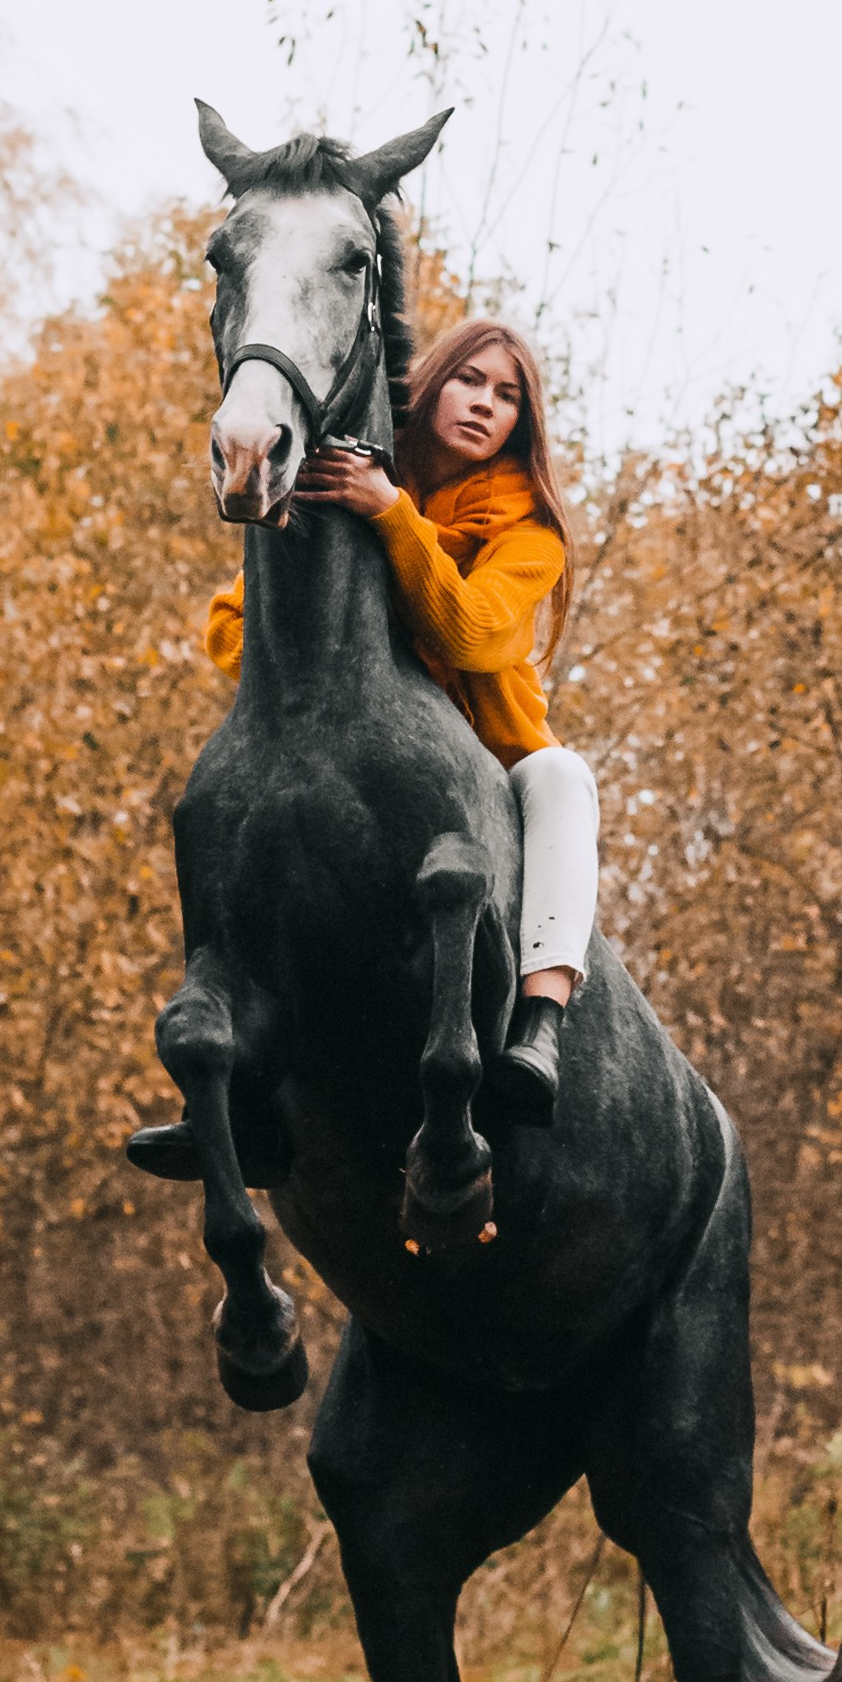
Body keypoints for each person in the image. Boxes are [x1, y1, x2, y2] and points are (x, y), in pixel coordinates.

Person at [225, 315, 600, 1103]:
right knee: (223, 804)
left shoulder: (531, 535)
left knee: (565, 777)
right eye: (468, 380)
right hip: (345, 757)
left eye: (507, 398)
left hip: (489, 765)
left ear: (519, 426)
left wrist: (392, 513)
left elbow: (469, 633)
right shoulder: (345, 478)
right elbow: (234, 627)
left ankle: (541, 1022)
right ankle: (230, 1054)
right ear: (432, 384)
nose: (483, 405)